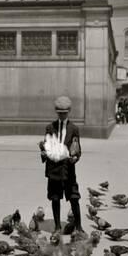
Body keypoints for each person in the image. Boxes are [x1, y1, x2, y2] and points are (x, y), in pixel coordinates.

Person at [38, 95, 83, 236]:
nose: (62, 115)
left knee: (74, 197)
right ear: (56, 112)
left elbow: (78, 149)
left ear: (69, 111)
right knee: (55, 198)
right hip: (54, 169)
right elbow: (46, 147)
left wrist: (74, 158)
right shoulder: (50, 127)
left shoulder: (74, 128)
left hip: (68, 170)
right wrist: (44, 153)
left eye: (64, 113)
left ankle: (79, 226)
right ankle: (57, 226)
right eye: (59, 113)